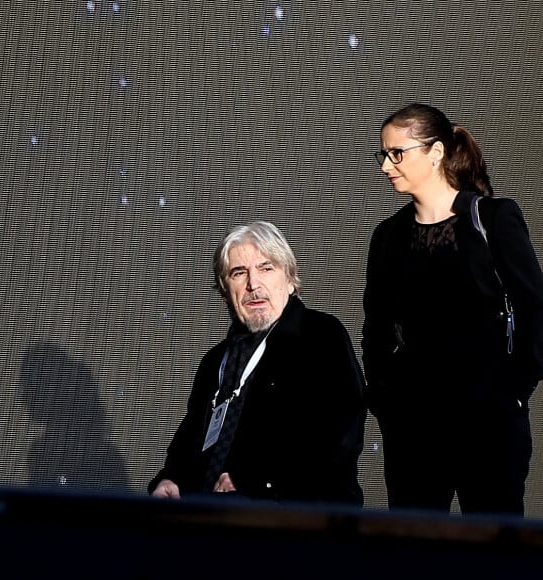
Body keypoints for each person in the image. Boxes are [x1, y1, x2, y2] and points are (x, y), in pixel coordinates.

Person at [362, 102, 543, 516]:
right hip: (414, 427)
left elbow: (535, 307)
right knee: (415, 554)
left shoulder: (492, 218)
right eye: (384, 154)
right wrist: (386, 401)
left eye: (397, 153)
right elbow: (376, 327)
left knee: (494, 554)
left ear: (436, 152)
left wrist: (515, 391)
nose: (387, 166)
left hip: (489, 422)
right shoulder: (388, 236)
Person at [148, 220, 366, 505]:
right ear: (224, 290)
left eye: (266, 268)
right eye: (239, 273)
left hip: (296, 524)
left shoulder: (320, 335)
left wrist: (253, 483)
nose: (253, 285)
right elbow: (189, 442)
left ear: (290, 279)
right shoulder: (216, 361)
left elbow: (338, 438)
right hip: (207, 521)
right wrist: (170, 479)